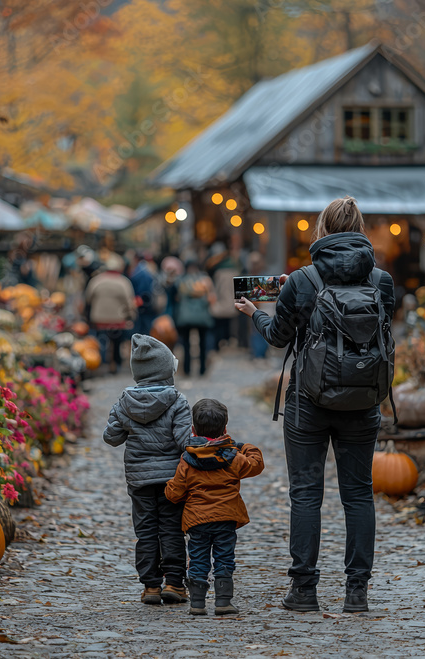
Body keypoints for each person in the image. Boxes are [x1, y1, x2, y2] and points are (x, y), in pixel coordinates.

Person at [234, 196, 395, 614]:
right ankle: (356, 591)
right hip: (363, 402)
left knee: (306, 495)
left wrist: (256, 311)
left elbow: (277, 337)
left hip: (309, 402)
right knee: (359, 495)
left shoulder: (303, 281)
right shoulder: (382, 281)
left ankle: (303, 590)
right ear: (360, 229)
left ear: (322, 230)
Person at [102, 334, 191, 605]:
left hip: (139, 480)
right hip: (171, 480)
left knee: (146, 531)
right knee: (172, 529)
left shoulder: (125, 402)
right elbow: (186, 442)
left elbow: (111, 437)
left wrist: (124, 420)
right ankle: (174, 584)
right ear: (166, 370)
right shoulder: (177, 400)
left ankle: (151, 586)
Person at [165, 399, 264, 616]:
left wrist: (168, 488)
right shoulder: (234, 458)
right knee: (225, 558)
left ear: (193, 430)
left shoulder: (187, 459)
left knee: (198, 558)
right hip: (226, 519)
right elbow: (256, 464)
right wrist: (244, 446)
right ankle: (223, 602)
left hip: (197, 520)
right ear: (225, 429)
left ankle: (197, 604)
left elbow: (174, 493)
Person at [84, 254, 136, 374]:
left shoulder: (96, 280)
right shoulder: (124, 282)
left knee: (101, 341)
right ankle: (115, 363)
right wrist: (131, 316)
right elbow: (129, 303)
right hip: (118, 319)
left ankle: (101, 363)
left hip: (99, 318)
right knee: (117, 342)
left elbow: (88, 298)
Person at [174, 260, 215, 376]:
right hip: (202, 316)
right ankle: (202, 369)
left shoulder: (181, 280)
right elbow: (211, 298)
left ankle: (187, 369)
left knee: (186, 344)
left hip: (185, 317)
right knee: (202, 343)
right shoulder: (205, 281)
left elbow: (176, 297)